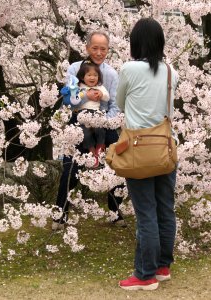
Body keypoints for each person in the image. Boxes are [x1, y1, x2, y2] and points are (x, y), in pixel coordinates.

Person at [116, 18, 179, 291]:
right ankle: (163, 267)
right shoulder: (170, 71)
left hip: (139, 150)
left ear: (135, 42)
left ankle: (145, 275)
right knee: (165, 209)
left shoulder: (129, 69)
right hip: (165, 148)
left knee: (146, 213)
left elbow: (120, 103)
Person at [52, 31, 125, 230]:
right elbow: (68, 100)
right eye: (95, 48)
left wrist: (103, 122)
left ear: (108, 50)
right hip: (78, 121)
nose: (99, 52)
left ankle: (115, 212)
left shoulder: (111, 74)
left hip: (103, 122)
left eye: (103, 49)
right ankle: (60, 213)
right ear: (86, 48)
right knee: (70, 167)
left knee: (117, 164)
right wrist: (86, 99)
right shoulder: (75, 68)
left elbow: (115, 105)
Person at [75, 60, 110, 167]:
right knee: (85, 134)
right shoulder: (79, 87)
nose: (92, 77)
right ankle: (91, 151)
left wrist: (101, 94)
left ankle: (100, 146)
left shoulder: (100, 87)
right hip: (83, 114)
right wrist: (84, 94)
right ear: (82, 77)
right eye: (89, 75)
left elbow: (107, 97)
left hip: (96, 113)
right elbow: (74, 100)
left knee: (100, 130)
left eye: (95, 75)